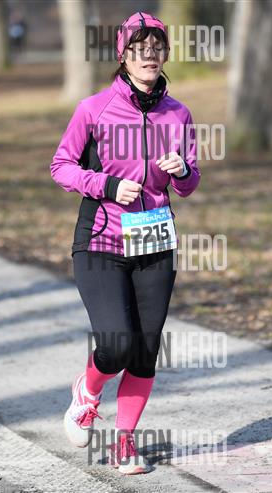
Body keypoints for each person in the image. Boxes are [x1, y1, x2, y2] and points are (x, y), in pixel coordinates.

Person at [50, 11, 200, 475]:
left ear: (165, 54)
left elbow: (190, 184)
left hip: (155, 243)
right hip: (101, 241)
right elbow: (61, 166)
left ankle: (125, 443)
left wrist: (183, 171)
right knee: (115, 344)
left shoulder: (178, 113)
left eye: (157, 48)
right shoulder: (93, 109)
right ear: (123, 55)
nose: (149, 56)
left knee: (144, 350)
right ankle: (88, 390)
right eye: (139, 49)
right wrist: (107, 185)